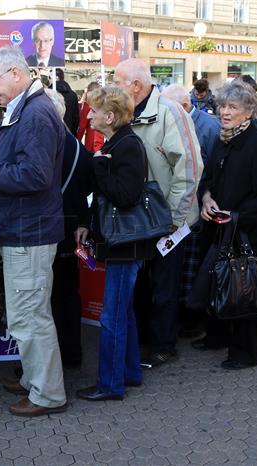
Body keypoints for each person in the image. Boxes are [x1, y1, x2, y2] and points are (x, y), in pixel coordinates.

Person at [0, 46, 67, 417]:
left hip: (29, 231)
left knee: (29, 316)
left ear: (16, 74)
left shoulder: (34, 114)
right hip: (25, 229)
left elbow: (35, 176)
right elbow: (22, 165)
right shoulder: (30, 109)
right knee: (27, 314)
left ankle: (46, 394)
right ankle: (34, 381)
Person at [112, 59, 202, 369]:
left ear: (135, 86)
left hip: (167, 222)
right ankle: (145, 341)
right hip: (139, 220)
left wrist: (175, 218)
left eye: (117, 81)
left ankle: (164, 345)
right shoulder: (125, 113)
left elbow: (189, 167)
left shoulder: (170, 112)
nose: (113, 87)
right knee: (142, 285)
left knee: (165, 287)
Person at [76, 85, 156, 400]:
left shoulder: (128, 146)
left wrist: (99, 167)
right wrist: (86, 223)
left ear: (109, 116)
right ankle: (130, 373)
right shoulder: (119, 142)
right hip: (122, 243)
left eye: (94, 110)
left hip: (127, 245)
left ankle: (110, 384)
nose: (89, 114)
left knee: (112, 316)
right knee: (123, 312)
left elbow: (125, 196)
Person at [196, 80, 257, 370]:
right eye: (222, 106)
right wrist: (206, 198)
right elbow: (208, 177)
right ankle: (217, 336)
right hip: (220, 226)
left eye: (232, 107)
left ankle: (247, 353)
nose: (225, 112)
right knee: (218, 281)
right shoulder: (224, 138)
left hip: (248, 231)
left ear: (249, 111)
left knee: (243, 290)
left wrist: (237, 215)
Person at [160, 84, 220, 338]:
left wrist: (205, 196)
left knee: (190, 268)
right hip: (180, 207)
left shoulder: (208, 126)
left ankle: (192, 318)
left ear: (182, 107)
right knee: (180, 268)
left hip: (195, 209)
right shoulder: (176, 121)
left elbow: (208, 170)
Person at [43, 88, 91, 368]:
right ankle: (72, 353)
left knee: (48, 300)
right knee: (68, 296)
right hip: (72, 233)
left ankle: (53, 360)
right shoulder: (78, 148)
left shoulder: (48, 146)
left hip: (47, 232)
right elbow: (87, 192)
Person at [76, 81, 105, 152]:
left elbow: (82, 127)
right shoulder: (103, 104)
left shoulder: (87, 105)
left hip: (91, 142)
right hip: (102, 142)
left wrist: (77, 142)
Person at [54, 69, 80, 134]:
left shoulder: (48, 94)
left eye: (50, 77)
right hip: (69, 132)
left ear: (56, 77)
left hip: (52, 133)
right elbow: (76, 117)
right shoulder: (73, 95)